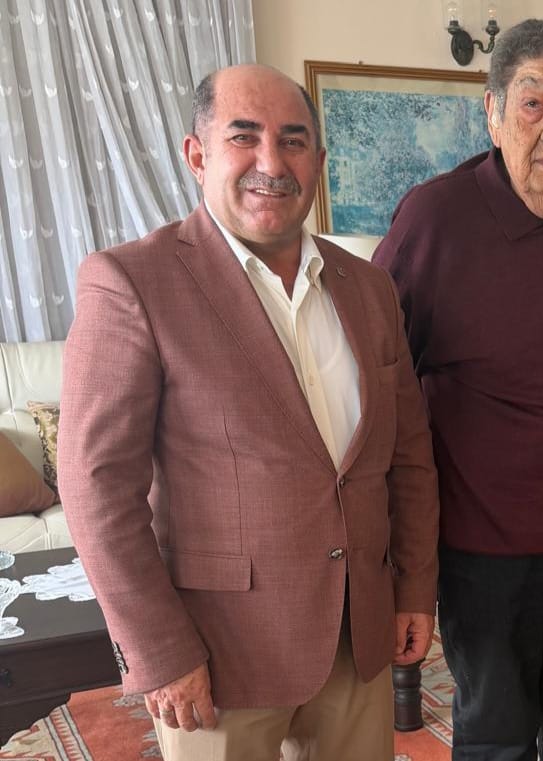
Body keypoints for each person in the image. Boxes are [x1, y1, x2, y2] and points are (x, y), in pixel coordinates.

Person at [57, 64, 440, 761]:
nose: (272, 162)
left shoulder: (370, 288)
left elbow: (407, 455)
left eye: (293, 140)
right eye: (244, 137)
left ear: (318, 160)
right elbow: (95, 488)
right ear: (197, 154)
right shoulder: (132, 282)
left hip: (358, 636)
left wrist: (413, 586)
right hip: (218, 655)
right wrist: (159, 650)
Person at [372, 19, 543, 761]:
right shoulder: (435, 217)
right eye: (532, 102)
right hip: (487, 548)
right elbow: (381, 372)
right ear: (492, 112)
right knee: (499, 734)